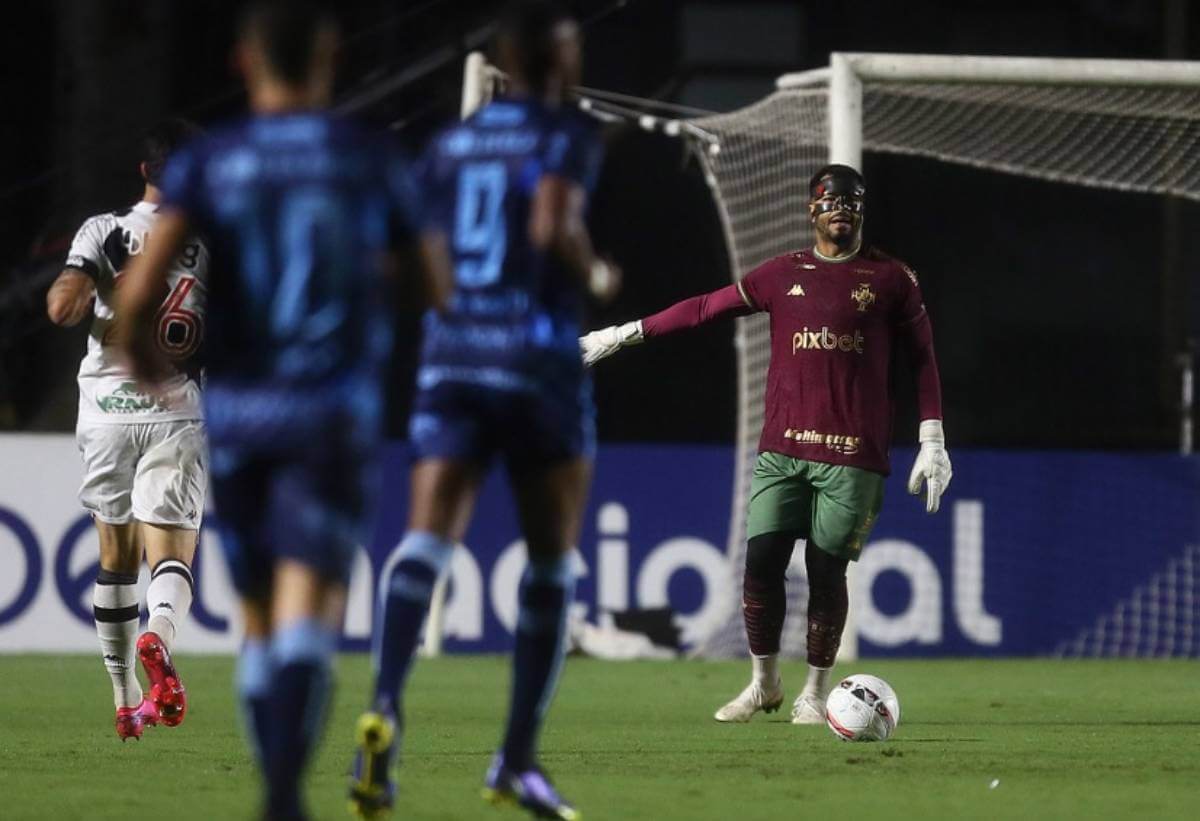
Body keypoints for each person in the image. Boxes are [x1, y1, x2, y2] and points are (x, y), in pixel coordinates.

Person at [116, 3, 423, 818]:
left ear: (243, 60)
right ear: (330, 52)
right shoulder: (366, 157)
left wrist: (155, 378)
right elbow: (433, 282)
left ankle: (276, 791)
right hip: (329, 412)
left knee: (256, 617)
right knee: (308, 610)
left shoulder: (213, 162)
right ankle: (285, 792)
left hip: (243, 413)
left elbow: (137, 303)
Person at [348, 3, 614, 819]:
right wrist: (595, 274)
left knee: (426, 535)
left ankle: (386, 703)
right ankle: (516, 760)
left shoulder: (448, 145)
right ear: (557, 59)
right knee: (551, 560)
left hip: (452, 356)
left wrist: (454, 325)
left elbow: (417, 259)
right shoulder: (567, 130)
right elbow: (551, 224)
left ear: (500, 59)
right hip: (534, 359)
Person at [580, 163, 952, 725]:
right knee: (760, 565)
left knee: (827, 575)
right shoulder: (783, 274)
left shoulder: (892, 279)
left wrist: (932, 437)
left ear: (861, 211)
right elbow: (706, 307)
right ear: (811, 210)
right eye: (830, 201)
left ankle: (814, 693)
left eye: (852, 201)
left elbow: (923, 357)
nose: (841, 210)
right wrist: (624, 333)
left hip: (853, 456)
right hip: (782, 450)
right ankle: (764, 684)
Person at [48, 118, 207, 741]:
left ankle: (123, 698)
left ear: (144, 172)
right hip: (175, 409)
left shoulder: (106, 231)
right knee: (170, 556)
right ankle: (157, 635)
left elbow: (62, 307)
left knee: (115, 560)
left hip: (106, 413)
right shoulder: (212, 240)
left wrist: (83, 283)